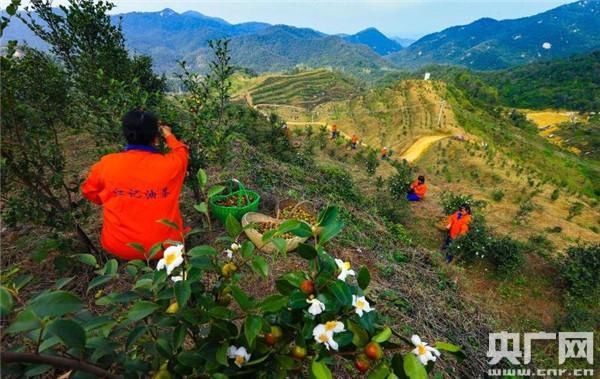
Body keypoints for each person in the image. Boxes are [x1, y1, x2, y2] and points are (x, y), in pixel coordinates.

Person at [81, 110, 189, 260]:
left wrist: (113, 197)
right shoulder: (171, 165)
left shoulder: (107, 164)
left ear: (126, 134)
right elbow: (181, 151)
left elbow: (89, 192)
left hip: (118, 246)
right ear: (155, 138)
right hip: (166, 248)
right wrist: (169, 135)